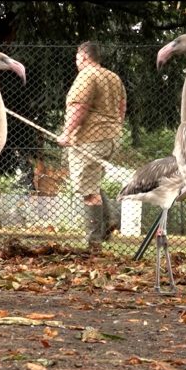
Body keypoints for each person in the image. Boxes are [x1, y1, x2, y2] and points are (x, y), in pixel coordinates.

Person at [57, 41, 126, 251]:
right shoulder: (113, 77)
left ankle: (93, 242)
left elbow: (80, 106)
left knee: (89, 192)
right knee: (93, 182)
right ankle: (110, 218)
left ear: (83, 57)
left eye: (77, 58)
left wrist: (67, 133)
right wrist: (114, 128)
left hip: (90, 138)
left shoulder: (86, 75)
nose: (76, 62)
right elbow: (122, 107)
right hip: (111, 138)